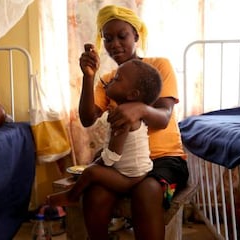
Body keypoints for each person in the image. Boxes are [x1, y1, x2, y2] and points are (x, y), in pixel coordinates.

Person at [77, 5, 189, 240]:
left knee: (146, 190)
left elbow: (163, 118)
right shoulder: (109, 81)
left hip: (164, 159)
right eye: (107, 39)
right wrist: (88, 77)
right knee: (95, 194)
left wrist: (140, 108)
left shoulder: (158, 66)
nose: (114, 44)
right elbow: (87, 119)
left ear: (136, 36)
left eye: (122, 36)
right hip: (122, 163)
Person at [47, 59, 162, 207]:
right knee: (96, 160)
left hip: (130, 178)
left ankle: (72, 196)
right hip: (131, 171)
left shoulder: (124, 119)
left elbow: (113, 155)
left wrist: (95, 165)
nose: (110, 80)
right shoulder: (124, 113)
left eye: (117, 79)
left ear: (132, 94)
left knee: (90, 172)